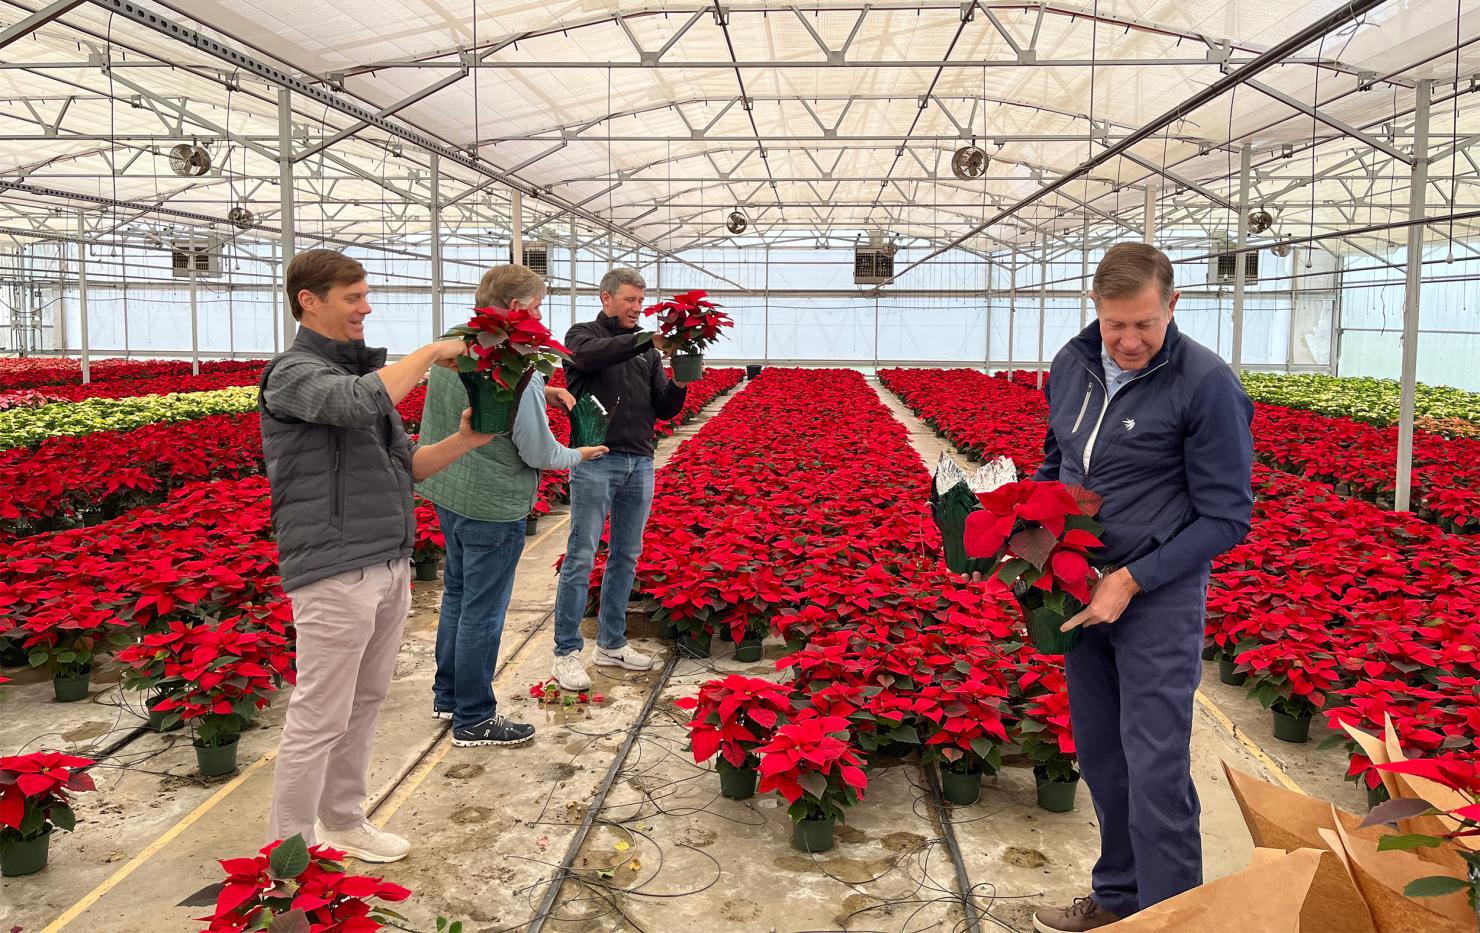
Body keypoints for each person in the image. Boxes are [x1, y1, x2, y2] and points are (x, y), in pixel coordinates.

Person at [1029, 243, 1254, 932]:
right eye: (1115, 324)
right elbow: (1054, 458)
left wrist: (1131, 579)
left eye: (1145, 324)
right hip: (1079, 584)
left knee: (1156, 767)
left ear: (1173, 306)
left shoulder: (1206, 384)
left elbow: (1227, 516)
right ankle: (1119, 897)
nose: (1129, 340)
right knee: (1101, 753)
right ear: (1096, 308)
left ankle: (1170, 918)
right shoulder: (1070, 364)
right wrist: (1032, 534)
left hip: (1157, 592)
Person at [261, 248, 496, 863]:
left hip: (388, 560)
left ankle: (343, 818)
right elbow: (354, 404)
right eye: (353, 297)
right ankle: (291, 851)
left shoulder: (356, 382)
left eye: (366, 296)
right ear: (309, 302)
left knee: (364, 703)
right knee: (320, 713)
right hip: (335, 567)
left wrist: (466, 440)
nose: (366, 308)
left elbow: (407, 468)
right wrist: (433, 350)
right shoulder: (292, 374)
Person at [417, 264, 609, 748]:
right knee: (483, 610)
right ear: (519, 308)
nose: (542, 312)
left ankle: (449, 696)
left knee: (457, 597)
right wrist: (579, 455)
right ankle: (475, 718)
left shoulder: (453, 344)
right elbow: (537, 451)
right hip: (492, 501)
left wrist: (544, 390)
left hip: (450, 490)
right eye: (539, 303)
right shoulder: (512, 361)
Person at [549, 267, 692, 691]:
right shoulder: (582, 335)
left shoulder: (646, 351)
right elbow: (592, 358)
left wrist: (681, 380)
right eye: (630, 300)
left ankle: (611, 643)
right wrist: (646, 340)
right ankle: (566, 652)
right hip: (595, 459)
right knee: (581, 555)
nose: (637, 307)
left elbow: (663, 407)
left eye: (640, 301)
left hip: (639, 461)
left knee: (626, 555)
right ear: (606, 298)